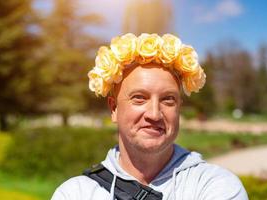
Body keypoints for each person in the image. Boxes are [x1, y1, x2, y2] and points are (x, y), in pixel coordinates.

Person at [51, 33, 248, 200]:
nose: (154, 114)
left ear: (179, 108)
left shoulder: (215, 186)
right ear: (114, 109)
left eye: (168, 99)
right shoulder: (75, 193)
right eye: (139, 98)